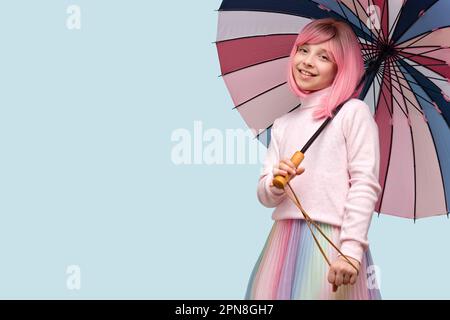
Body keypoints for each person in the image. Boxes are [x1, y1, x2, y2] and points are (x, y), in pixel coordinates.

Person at [245, 18, 382, 300]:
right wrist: (276, 184)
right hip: (283, 242)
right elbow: (264, 195)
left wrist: (351, 252)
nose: (307, 61)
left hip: (334, 243)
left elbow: (364, 185)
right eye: (303, 49)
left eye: (323, 56)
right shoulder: (284, 123)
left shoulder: (353, 113)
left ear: (341, 68)